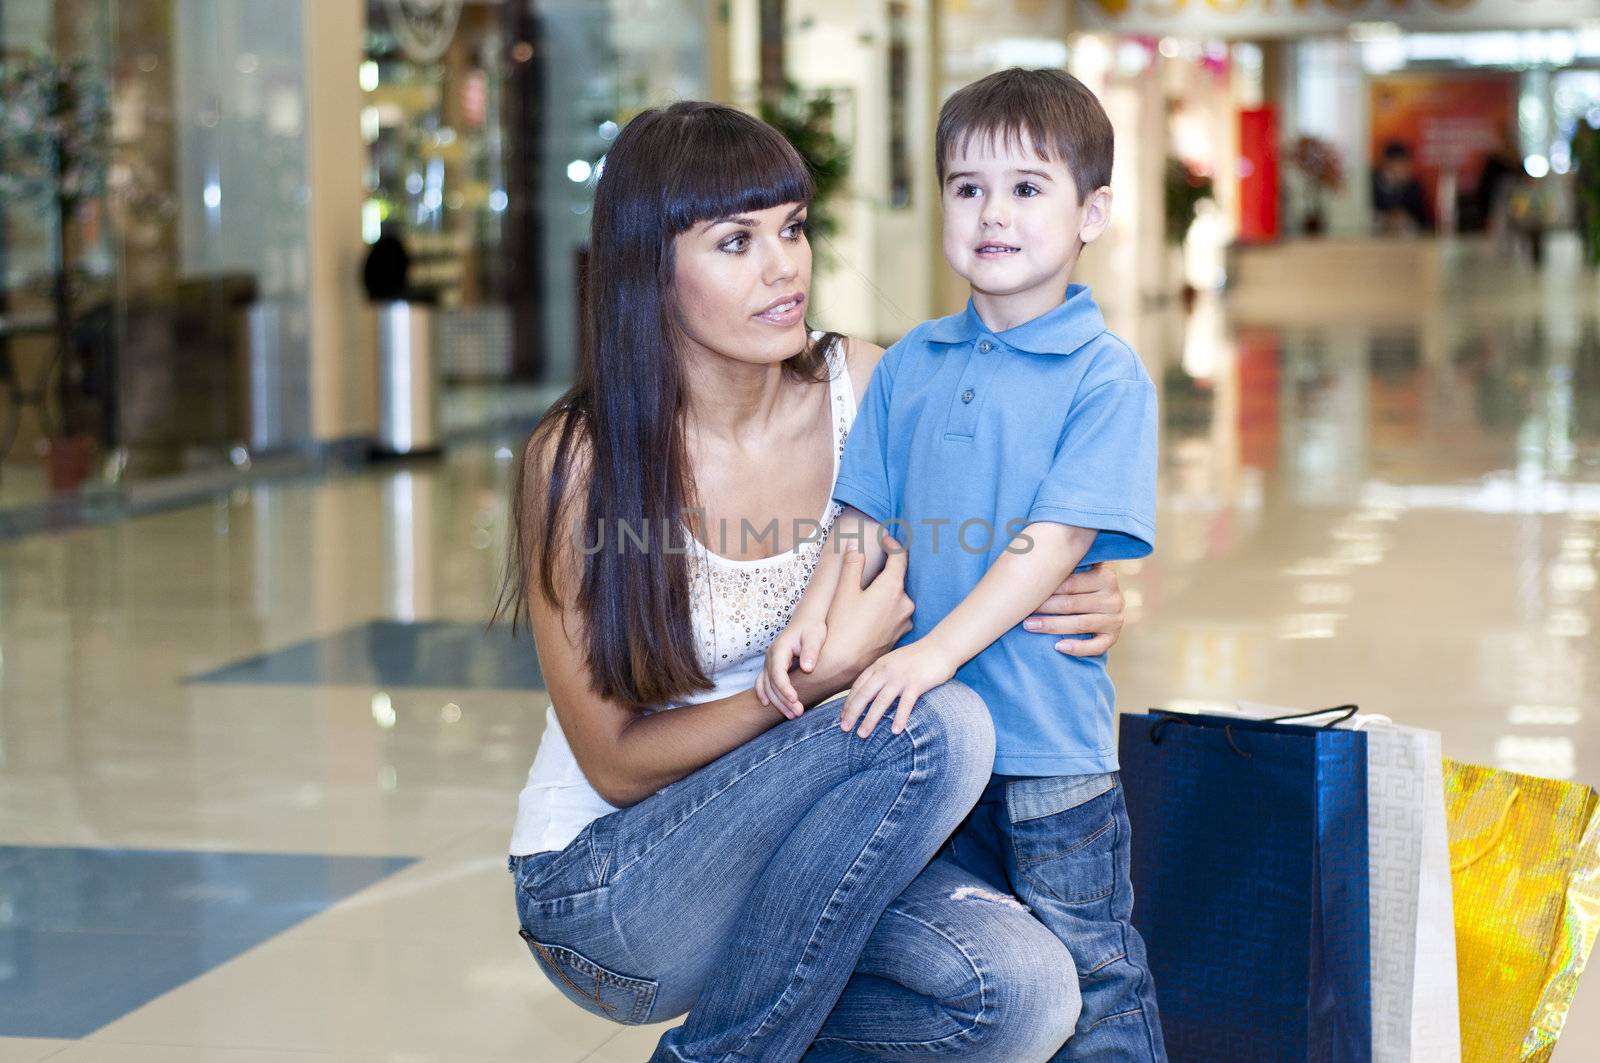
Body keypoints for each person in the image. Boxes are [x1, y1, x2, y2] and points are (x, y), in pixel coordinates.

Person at [497, 101, 1132, 1062]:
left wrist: (1088, 590)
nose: (783, 266)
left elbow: (1004, 538)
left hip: (807, 851)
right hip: (616, 886)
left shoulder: (871, 387)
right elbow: (615, 763)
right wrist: (811, 686)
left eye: (791, 228)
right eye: (735, 241)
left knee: (1024, 994)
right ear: (648, 268)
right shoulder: (580, 462)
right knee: (931, 725)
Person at [763, 68, 1165, 1061]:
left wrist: (933, 651)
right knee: (975, 986)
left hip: (1043, 753)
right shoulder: (912, 363)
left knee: (1094, 978)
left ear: (1092, 212)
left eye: (1028, 187)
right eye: (966, 186)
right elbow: (863, 515)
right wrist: (814, 615)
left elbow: (1057, 541)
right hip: (931, 751)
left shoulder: (1103, 373)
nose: (992, 212)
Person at [1371, 141, 1430, 235]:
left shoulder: (1414, 187)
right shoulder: (1369, 183)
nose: (1408, 169)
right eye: (1403, 164)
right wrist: (1386, 219)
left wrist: (1407, 221)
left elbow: (1425, 224)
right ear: (1388, 164)